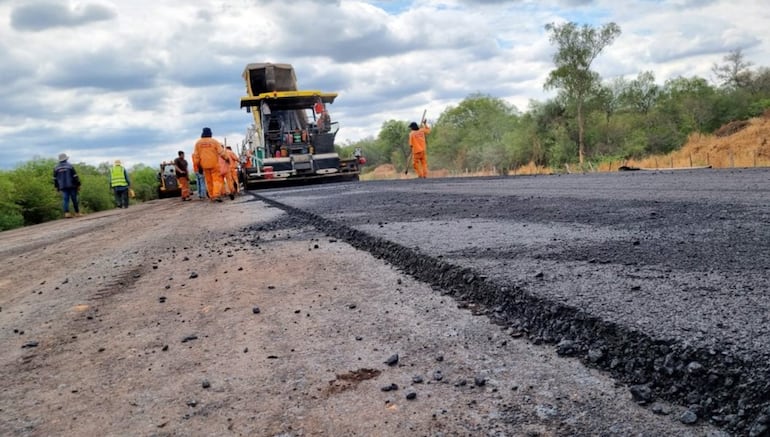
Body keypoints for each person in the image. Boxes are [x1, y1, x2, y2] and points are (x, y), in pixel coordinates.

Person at [193, 127, 229, 202]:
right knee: (216, 180)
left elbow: (196, 156)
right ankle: (216, 195)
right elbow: (221, 152)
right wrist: (227, 158)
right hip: (214, 164)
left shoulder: (198, 143)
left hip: (204, 165)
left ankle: (212, 196)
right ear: (210, 133)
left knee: (208, 181)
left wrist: (198, 166)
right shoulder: (214, 142)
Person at [53, 153, 82, 218]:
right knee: (74, 199)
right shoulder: (70, 166)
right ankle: (77, 213)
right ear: (66, 159)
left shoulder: (56, 168)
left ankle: (67, 213)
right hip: (72, 185)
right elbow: (75, 176)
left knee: (65, 199)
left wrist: (56, 187)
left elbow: (55, 179)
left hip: (62, 186)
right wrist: (78, 185)